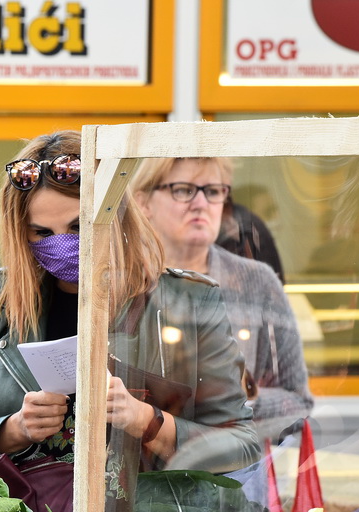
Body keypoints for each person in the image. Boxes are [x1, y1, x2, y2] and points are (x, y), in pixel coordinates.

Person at [0, 131, 266, 512]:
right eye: (40, 232)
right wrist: (14, 429)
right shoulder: (4, 302)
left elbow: (243, 443)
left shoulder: (186, 302)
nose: (63, 244)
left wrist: (147, 421)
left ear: (115, 218)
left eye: (77, 227)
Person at [129, 157, 313, 444]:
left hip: (235, 477)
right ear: (143, 203)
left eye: (213, 191)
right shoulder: (119, 280)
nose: (201, 203)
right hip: (139, 475)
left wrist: (244, 398)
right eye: (183, 189)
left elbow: (299, 402)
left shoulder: (257, 281)